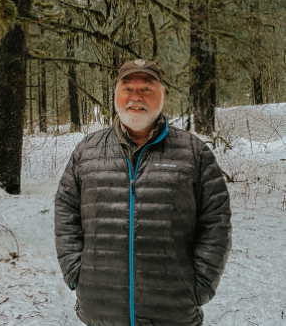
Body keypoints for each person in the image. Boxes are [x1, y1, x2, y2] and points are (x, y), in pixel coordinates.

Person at [55, 59, 232, 326]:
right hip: (101, 310)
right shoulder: (87, 151)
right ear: (115, 95)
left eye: (147, 89)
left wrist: (201, 285)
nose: (136, 97)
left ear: (163, 96)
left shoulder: (194, 153)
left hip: (173, 312)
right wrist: (76, 273)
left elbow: (216, 221)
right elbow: (66, 212)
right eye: (127, 88)